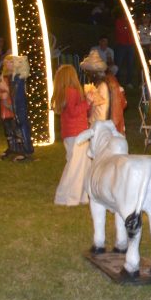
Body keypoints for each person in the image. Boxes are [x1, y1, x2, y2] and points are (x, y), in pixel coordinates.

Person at [53, 64, 93, 205]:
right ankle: (69, 197)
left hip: (70, 133)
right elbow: (74, 112)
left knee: (80, 165)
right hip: (77, 133)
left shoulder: (63, 92)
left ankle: (80, 196)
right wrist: (87, 102)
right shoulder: (71, 91)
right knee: (76, 166)